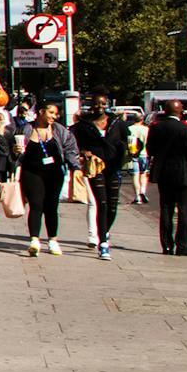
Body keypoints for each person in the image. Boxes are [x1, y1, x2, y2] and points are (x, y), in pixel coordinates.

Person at [17, 98, 81, 256]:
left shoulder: (60, 131)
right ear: (41, 112)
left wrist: (76, 168)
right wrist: (16, 150)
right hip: (31, 173)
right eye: (51, 113)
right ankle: (34, 241)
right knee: (36, 205)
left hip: (54, 174)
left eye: (56, 114)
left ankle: (53, 240)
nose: (54, 116)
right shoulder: (25, 129)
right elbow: (15, 150)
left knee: (51, 207)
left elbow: (71, 149)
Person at [148, 97, 187, 256]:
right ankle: (183, 246)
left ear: (165, 111)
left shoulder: (156, 128)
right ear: (180, 111)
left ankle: (167, 245)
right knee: (185, 211)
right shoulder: (186, 129)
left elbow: (150, 149)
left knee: (166, 210)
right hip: (185, 174)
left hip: (164, 174)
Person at [70, 103, 123, 259]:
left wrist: (133, 148)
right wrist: (83, 151)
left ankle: (104, 230)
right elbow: (73, 143)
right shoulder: (83, 126)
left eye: (102, 103)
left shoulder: (116, 123)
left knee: (113, 206)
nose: (99, 106)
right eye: (96, 102)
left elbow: (127, 139)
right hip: (95, 167)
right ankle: (103, 244)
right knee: (102, 203)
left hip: (113, 168)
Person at [128, 109, 152, 204]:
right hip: (144, 154)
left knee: (135, 175)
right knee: (143, 174)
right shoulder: (147, 130)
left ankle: (137, 196)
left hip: (133, 155)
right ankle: (143, 191)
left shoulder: (129, 129)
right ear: (142, 120)